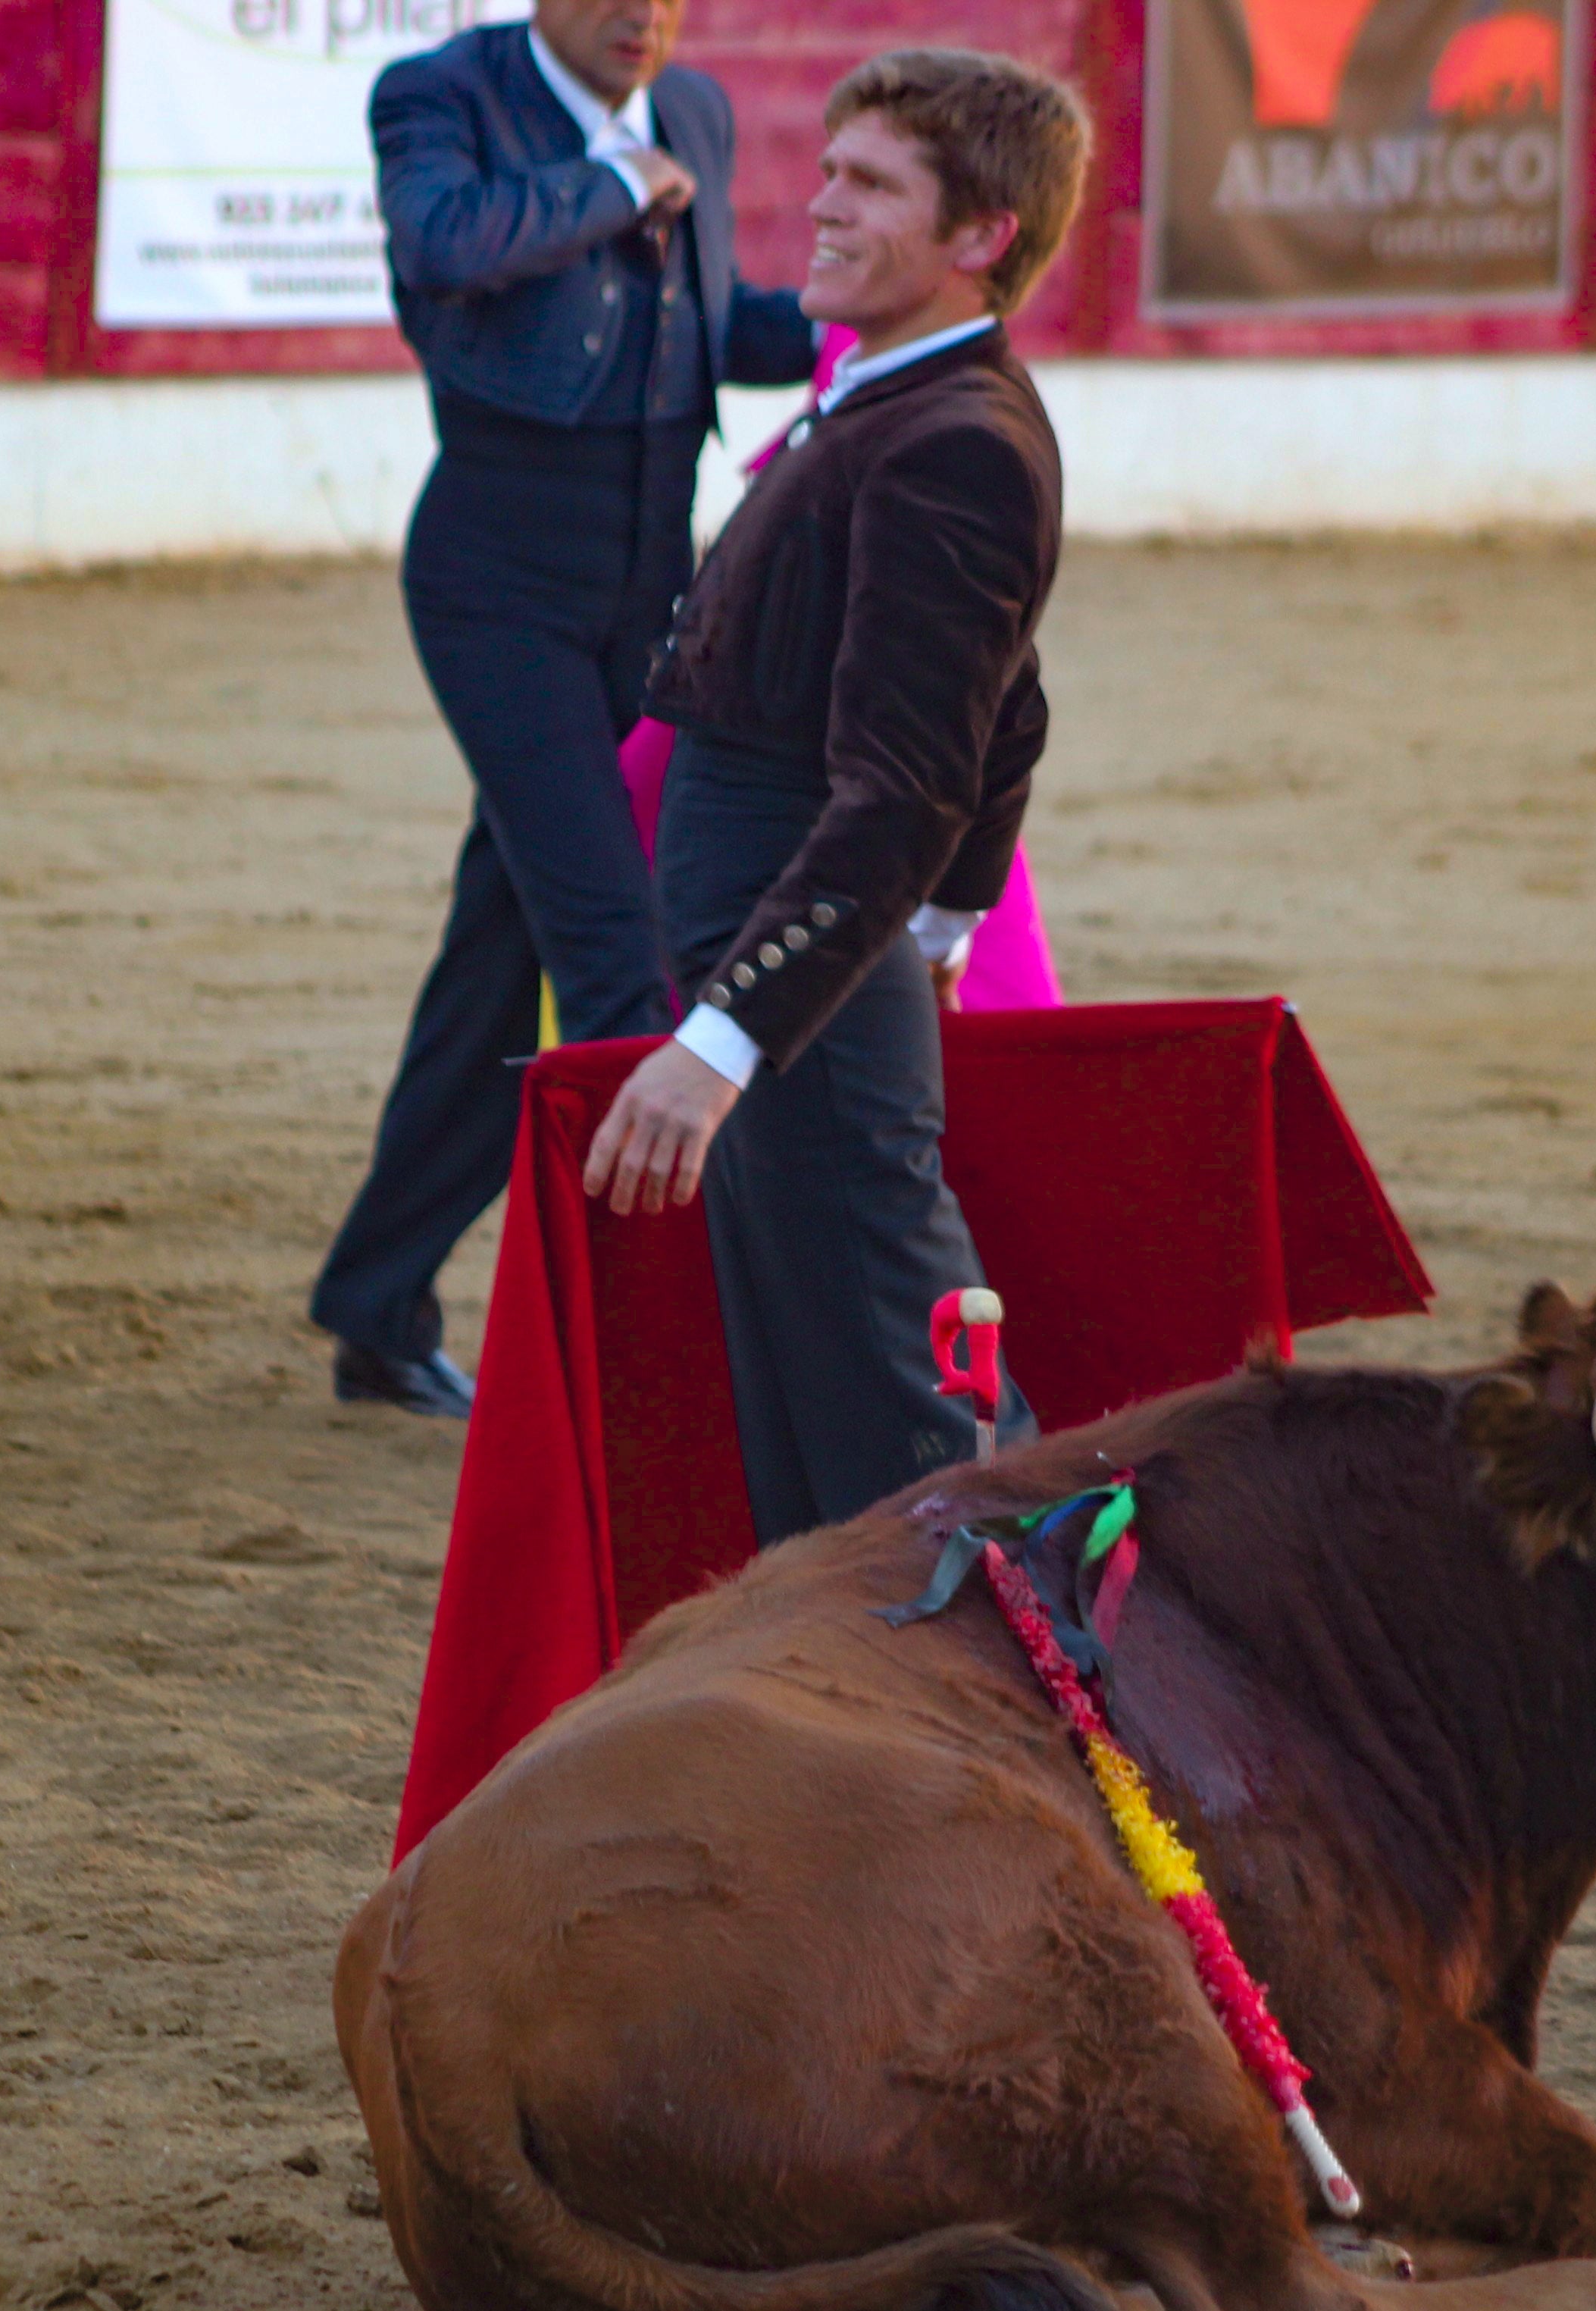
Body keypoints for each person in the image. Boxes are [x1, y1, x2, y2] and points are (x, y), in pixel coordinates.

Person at [582, 48, 1089, 1545]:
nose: (821, 205)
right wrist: (936, 926)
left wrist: (721, 1040)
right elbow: (1012, 707)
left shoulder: (953, 442)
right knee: (824, 1386)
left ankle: (1053, 1662)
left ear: (982, 234)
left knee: (897, 1391)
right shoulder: (906, 404)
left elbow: (906, 786)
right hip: (806, 953)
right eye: (831, 171)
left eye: (871, 185)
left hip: (791, 963)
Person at [309, 0, 818, 1419]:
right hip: (499, 586)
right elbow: (442, 244)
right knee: (615, 948)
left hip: (656, 586)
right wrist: (611, 181)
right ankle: (655, 1361)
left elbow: (709, 329)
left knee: (507, 945)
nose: (644, 15)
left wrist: (871, 318)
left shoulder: (694, 112)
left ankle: (378, 1304)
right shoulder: (439, 94)